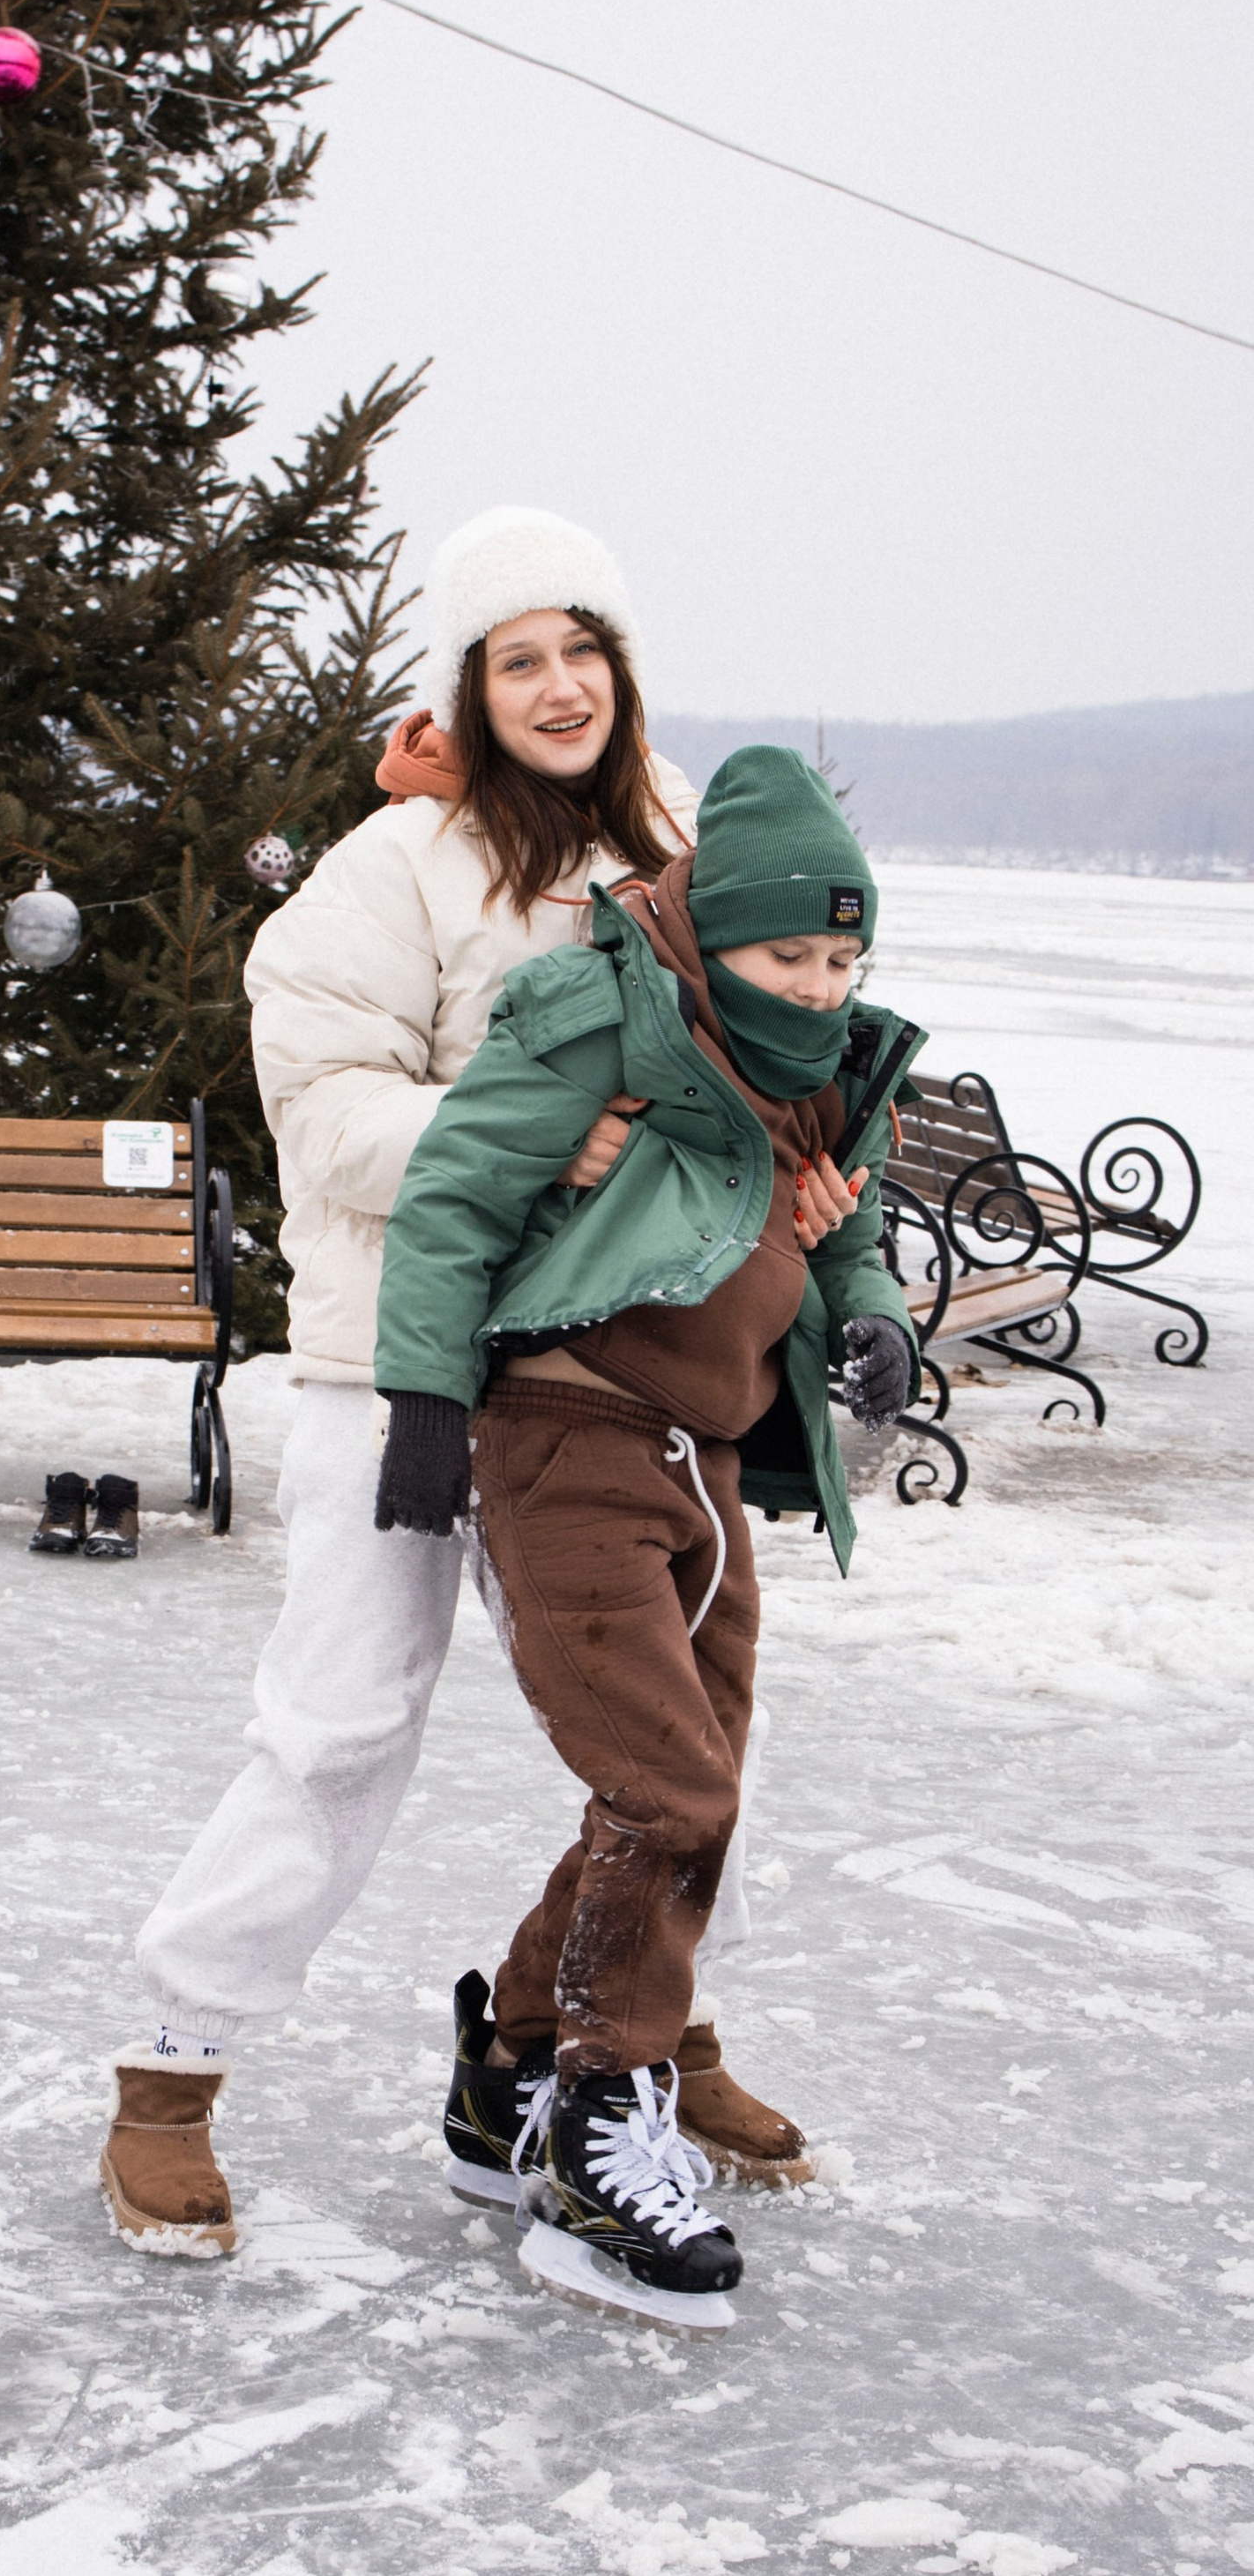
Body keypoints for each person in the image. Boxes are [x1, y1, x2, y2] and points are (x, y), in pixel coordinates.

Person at [101, 505, 817, 2257]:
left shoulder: (677, 856)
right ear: (468, 690)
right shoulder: (392, 870)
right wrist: (536, 1139)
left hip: (608, 1378)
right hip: (392, 1378)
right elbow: (328, 1118)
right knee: (341, 1723)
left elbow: (766, 1047)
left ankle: (584, 2037)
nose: (558, 685)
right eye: (519, 660)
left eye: (583, 652)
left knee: (679, 1734)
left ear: (621, 673)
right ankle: (167, 2073)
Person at [370, 747, 923, 2318]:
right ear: (710, 930)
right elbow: (457, 1196)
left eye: (841, 959)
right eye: (787, 956)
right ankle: (601, 2127)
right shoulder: (600, 1015)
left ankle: (510, 2068)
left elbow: (854, 1218)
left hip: (710, 1462)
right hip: (568, 1437)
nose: (817, 987)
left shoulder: (821, 1061)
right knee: (666, 1783)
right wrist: (424, 1402)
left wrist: (869, 1310)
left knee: (697, 1791)